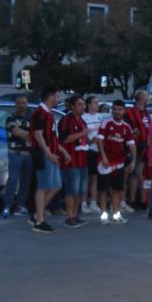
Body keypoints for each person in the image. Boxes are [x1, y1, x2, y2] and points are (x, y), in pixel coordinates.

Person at [29, 86, 70, 234]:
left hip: (51, 153)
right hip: (43, 154)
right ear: (50, 97)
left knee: (56, 185)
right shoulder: (40, 113)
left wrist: (62, 151)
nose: (58, 99)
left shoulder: (49, 114)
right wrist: (48, 153)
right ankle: (39, 220)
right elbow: (38, 135)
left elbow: (51, 137)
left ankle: (36, 214)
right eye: (57, 96)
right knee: (43, 187)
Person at [97, 100, 136, 225]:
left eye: (119, 109)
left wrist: (133, 161)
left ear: (124, 111)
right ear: (112, 110)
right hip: (106, 162)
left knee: (117, 189)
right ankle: (103, 216)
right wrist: (103, 157)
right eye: (115, 109)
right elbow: (99, 141)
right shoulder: (106, 123)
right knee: (103, 189)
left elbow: (131, 145)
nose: (117, 112)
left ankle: (115, 214)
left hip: (119, 162)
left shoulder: (127, 127)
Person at [58, 95, 89, 229]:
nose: (82, 107)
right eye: (79, 104)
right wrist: (81, 134)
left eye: (83, 104)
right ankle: (69, 216)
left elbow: (84, 138)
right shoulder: (66, 120)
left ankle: (75, 214)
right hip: (71, 161)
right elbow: (64, 139)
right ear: (72, 106)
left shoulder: (82, 122)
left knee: (81, 190)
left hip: (83, 159)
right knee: (72, 189)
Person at [2, 95, 32, 219]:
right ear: (15, 104)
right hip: (15, 153)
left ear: (27, 104)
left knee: (25, 182)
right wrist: (27, 135)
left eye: (24, 103)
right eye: (19, 103)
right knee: (12, 181)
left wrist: (24, 133)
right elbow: (16, 132)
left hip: (28, 154)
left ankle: (21, 206)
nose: (21, 105)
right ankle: (7, 207)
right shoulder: (10, 117)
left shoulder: (31, 118)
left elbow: (34, 133)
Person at [125, 90, 152, 211]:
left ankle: (142, 199)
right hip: (135, 145)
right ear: (141, 98)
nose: (148, 98)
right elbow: (128, 127)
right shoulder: (130, 112)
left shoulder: (146, 113)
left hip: (145, 146)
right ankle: (132, 199)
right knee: (134, 173)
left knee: (140, 173)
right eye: (146, 96)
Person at [81, 96, 103, 214]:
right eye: (95, 102)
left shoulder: (99, 116)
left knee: (95, 177)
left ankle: (93, 202)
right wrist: (90, 141)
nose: (97, 104)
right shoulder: (84, 117)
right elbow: (82, 134)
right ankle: (84, 203)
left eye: (97, 102)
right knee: (87, 177)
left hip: (98, 150)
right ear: (88, 104)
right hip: (88, 150)